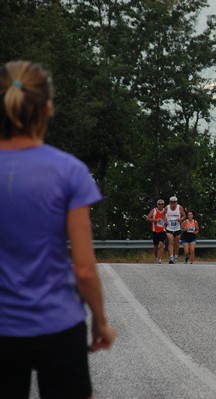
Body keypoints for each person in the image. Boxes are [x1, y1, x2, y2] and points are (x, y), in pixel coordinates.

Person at [0, 60, 116, 398]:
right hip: (58, 326)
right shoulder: (69, 171)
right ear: (48, 107)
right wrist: (100, 320)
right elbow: (83, 269)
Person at [165, 195, 185, 264]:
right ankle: (171, 257)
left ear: (176, 202)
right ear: (170, 202)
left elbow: (184, 215)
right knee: (171, 241)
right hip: (169, 228)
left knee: (176, 243)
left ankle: (176, 256)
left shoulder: (179, 208)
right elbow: (163, 214)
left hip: (177, 228)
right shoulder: (167, 207)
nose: (173, 204)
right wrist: (165, 220)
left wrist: (181, 219)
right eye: (171, 202)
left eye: (174, 202)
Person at [147, 199, 167, 264]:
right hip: (155, 230)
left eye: (162, 204)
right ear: (157, 204)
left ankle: (160, 259)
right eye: (159, 204)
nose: (160, 205)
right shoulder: (154, 210)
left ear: (163, 205)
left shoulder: (165, 211)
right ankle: (156, 257)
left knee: (161, 244)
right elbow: (148, 218)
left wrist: (166, 221)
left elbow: (168, 219)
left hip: (163, 230)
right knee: (155, 246)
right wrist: (155, 220)